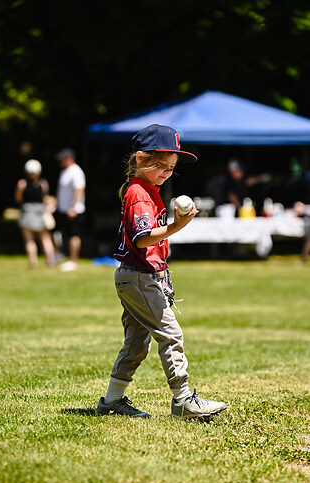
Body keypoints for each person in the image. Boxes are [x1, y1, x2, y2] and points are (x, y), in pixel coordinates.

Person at [96, 124, 227, 419]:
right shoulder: (139, 193)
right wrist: (176, 226)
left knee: (136, 345)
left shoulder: (146, 190)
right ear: (141, 159)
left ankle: (112, 401)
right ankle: (183, 400)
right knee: (171, 335)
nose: (168, 172)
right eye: (162, 165)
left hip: (137, 277)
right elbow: (142, 237)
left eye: (171, 167)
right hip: (139, 277)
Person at [15, 159, 56, 268]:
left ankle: (33, 262)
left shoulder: (22, 183)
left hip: (27, 212)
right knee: (45, 238)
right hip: (40, 211)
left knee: (29, 239)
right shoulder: (43, 183)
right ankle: (50, 261)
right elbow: (45, 198)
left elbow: (18, 198)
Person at [54, 148, 86, 272]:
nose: (61, 161)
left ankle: (73, 261)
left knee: (74, 235)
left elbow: (79, 190)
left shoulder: (76, 172)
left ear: (70, 159)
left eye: (63, 158)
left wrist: (74, 207)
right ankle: (60, 255)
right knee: (60, 233)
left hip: (73, 210)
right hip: (63, 209)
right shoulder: (65, 171)